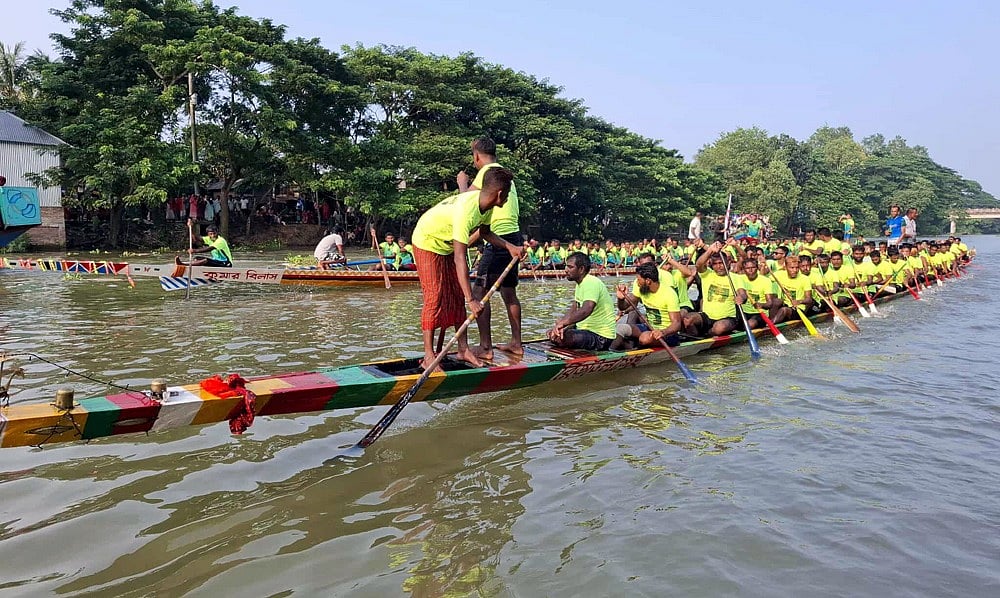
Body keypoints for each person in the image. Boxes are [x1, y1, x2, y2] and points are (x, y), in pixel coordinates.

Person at [411, 167, 522, 370]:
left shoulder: (487, 206)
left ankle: (463, 349)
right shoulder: (466, 212)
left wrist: (510, 247)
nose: (507, 199)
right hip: (426, 241)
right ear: (499, 194)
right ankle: (429, 355)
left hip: (445, 246)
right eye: (507, 194)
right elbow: (460, 257)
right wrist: (471, 299)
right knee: (435, 297)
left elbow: (485, 233)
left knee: (457, 296)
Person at [458, 137, 525, 358]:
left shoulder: (487, 172)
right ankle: (516, 343)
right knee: (509, 292)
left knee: (478, 293)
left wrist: (462, 183)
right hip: (513, 237)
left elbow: (465, 204)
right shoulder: (504, 174)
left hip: (499, 239)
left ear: (476, 156)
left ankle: (486, 347)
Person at [547, 252, 617, 350]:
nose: (566, 270)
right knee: (551, 333)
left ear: (581, 269)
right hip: (586, 331)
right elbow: (574, 309)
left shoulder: (591, 282)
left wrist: (564, 323)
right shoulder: (580, 284)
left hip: (601, 337)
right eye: (566, 266)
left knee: (562, 337)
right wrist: (560, 325)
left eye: (570, 267)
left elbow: (586, 310)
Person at [684, 241, 747, 337]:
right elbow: (699, 265)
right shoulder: (707, 274)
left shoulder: (735, 278)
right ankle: (695, 338)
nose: (719, 266)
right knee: (687, 320)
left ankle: (707, 335)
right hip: (707, 316)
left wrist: (741, 298)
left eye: (721, 263)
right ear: (712, 265)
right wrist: (710, 250)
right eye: (715, 264)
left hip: (728, 318)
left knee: (719, 328)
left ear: (728, 263)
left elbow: (742, 294)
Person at [614, 262, 683, 349]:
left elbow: (677, 324)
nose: (637, 283)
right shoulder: (641, 288)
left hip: (667, 334)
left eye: (639, 280)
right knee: (620, 328)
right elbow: (623, 307)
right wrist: (621, 299)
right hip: (649, 328)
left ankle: (634, 347)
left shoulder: (669, 294)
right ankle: (614, 351)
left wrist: (663, 332)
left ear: (648, 281)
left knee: (644, 338)